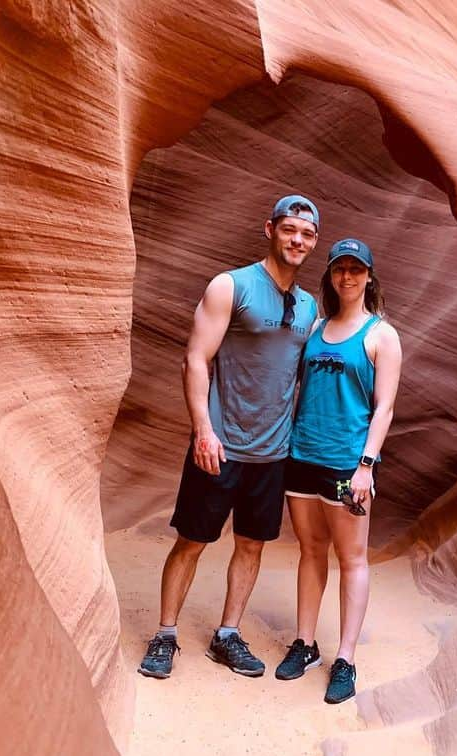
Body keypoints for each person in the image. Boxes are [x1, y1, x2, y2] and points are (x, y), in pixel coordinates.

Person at [138, 195, 321, 679]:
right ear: (270, 230)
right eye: (289, 230)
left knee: (251, 545)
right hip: (219, 445)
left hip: (272, 452)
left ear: (313, 242)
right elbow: (196, 358)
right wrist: (203, 430)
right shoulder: (231, 286)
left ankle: (227, 634)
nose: (296, 240)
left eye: (306, 234)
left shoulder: (308, 306)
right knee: (192, 541)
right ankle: (165, 634)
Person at [275, 238, 403, 704]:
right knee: (310, 550)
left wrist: (367, 465)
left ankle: (345, 658)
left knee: (352, 559)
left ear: (369, 276)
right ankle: (305, 644)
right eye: (339, 269)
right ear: (330, 276)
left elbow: (385, 407)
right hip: (303, 456)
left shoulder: (380, 335)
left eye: (356, 270)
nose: (347, 277)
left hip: (348, 463)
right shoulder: (316, 327)